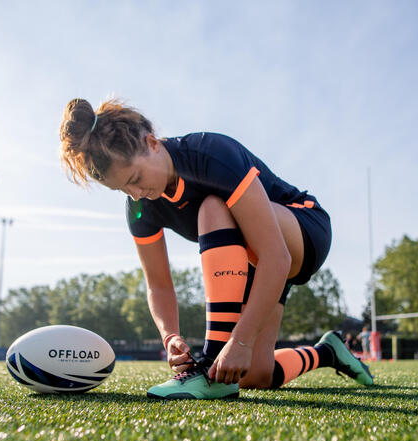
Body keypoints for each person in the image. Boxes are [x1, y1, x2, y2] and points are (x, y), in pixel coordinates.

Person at [59, 98, 373, 399]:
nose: (136, 193)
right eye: (123, 189)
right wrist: (170, 336)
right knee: (254, 376)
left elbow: (277, 257)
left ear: (152, 143)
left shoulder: (209, 153)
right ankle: (328, 352)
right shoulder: (139, 208)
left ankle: (207, 366)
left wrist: (240, 339)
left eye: (136, 178)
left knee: (212, 206)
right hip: (258, 260)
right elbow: (158, 285)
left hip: (300, 230)